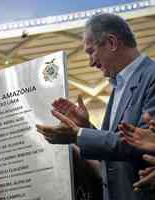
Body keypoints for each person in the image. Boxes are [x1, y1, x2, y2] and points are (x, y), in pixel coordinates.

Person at [36, 13, 155, 200]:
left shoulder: (152, 77)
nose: (91, 62)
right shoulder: (119, 85)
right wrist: (85, 127)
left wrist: (78, 135)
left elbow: (143, 143)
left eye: (91, 51)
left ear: (112, 43)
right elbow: (113, 151)